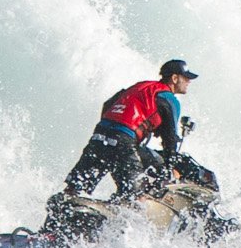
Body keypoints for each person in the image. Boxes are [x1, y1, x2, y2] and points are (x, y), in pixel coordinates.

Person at [64, 58, 198, 198]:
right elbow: (170, 139)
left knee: (73, 188)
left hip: (99, 136)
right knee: (135, 197)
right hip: (123, 142)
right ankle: (127, 207)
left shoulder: (140, 86)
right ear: (175, 78)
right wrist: (168, 169)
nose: (189, 81)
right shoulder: (169, 99)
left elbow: (108, 105)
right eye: (186, 78)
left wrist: (112, 129)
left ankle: (62, 205)